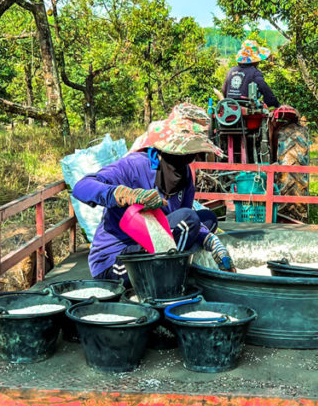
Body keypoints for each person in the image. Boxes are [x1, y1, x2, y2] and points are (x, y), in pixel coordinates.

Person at [73, 110, 234, 281]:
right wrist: (124, 194)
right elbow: (82, 187)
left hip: (152, 240)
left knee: (208, 219)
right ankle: (167, 275)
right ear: (159, 153)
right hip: (118, 258)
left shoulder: (185, 177)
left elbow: (185, 217)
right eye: (176, 157)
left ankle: (167, 264)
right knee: (189, 220)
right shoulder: (134, 166)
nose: (181, 165)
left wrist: (209, 239)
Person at [222, 39, 278, 108]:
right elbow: (267, 93)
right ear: (255, 61)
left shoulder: (231, 71)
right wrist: (275, 104)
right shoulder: (254, 73)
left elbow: (224, 90)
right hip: (247, 112)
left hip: (230, 109)